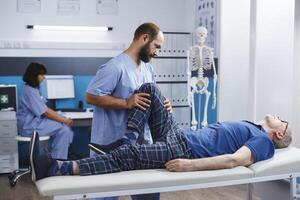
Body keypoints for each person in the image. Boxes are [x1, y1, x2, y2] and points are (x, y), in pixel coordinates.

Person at [31, 83, 292, 181]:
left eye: (284, 120)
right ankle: (127, 137)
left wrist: (190, 165)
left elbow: (236, 160)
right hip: (179, 135)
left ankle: (57, 168)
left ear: (279, 134)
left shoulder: (263, 141)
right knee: (150, 90)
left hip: (184, 150)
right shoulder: (254, 127)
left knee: (130, 156)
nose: (280, 116)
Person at [85, 23, 169, 200]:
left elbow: (150, 100)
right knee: (104, 196)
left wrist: (163, 104)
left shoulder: (148, 69)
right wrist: (126, 102)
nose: (157, 53)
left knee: (148, 196)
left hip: (142, 147)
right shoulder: (115, 67)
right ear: (144, 38)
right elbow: (91, 97)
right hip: (110, 145)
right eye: (157, 46)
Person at [17, 62, 74, 160]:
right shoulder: (30, 91)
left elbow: (44, 108)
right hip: (29, 127)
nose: (44, 78)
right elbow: (45, 112)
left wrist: (62, 118)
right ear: (34, 75)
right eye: (42, 75)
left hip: (36, 123)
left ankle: (57, 158)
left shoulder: (33, 89)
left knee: (64, 127)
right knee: (64, 128)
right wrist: (64, 120)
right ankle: (57, 160)